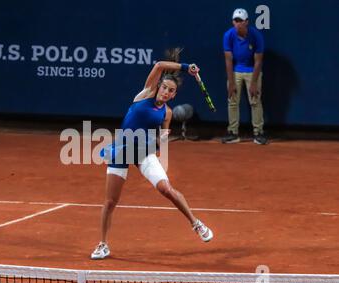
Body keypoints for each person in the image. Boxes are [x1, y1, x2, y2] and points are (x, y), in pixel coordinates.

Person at [91, 49, 214, 260]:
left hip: (143, 153)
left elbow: (161, 140)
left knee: (166, 189)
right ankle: (103, 244)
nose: (165, 92)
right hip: (121, 151)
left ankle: (196, 223)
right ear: (158, 87)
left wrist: (161, 140)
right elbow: (158, 66)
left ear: (174, 95)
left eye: (170, 91)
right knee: (110, 202)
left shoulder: (166, 113)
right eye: (164, 87)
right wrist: (187, 68)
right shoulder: (146, 93)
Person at [222, 8, 268, 145]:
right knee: (232, 101)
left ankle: (258, 132)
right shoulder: (228, 35)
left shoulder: (256, 36)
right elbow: (228, 60)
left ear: (247, 22)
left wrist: (254, 82)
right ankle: (233, 133)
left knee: (255, 101)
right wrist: (231, 82)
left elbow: (258, 60)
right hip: (236, 71)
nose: (238, 23)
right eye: (236, 21)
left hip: (252, 71)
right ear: (233, 22)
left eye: (241, 21)